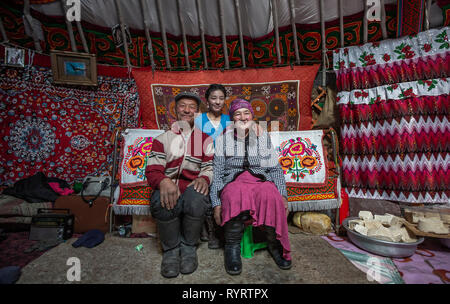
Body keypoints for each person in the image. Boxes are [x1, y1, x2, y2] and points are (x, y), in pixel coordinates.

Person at [210, 98, 292, 275]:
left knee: (270, 194)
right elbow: (216, 173)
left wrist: (283, 195)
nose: (243, 117)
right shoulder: (223, 140)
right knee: (233, 195)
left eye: (246, 113)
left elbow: (275, 169)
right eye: (238, 114)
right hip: (234, 182)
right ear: (232, 119)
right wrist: (216, 204)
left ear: (252, 116)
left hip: (261, 180)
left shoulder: (263, 137)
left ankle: (274, 244)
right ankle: (232, 248)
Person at [146, 91, 214, 278]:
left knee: (197, 199)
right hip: (169, 187)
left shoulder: (205, 140)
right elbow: (152, 170)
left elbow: (209, 167)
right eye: (183, 106)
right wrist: (163, 181)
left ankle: (188, 247)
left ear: (197, 112)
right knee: (163, 200)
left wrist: (203, 178)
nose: (187, 110)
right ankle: (171, 251)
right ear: (175, 110)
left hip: (191, 186)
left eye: (192, 107)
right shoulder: (162, 139)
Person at [194, 84, 231, 249]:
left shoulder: (229, 120)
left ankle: (216, 230)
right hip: (203, 162)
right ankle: (205, 228)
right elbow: (194, 146)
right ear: (207, 101)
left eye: (221, 98)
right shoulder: (198, 120)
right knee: (203, 188)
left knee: (222, 188)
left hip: (223, 163)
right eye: (213, 98)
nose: (217, 102)